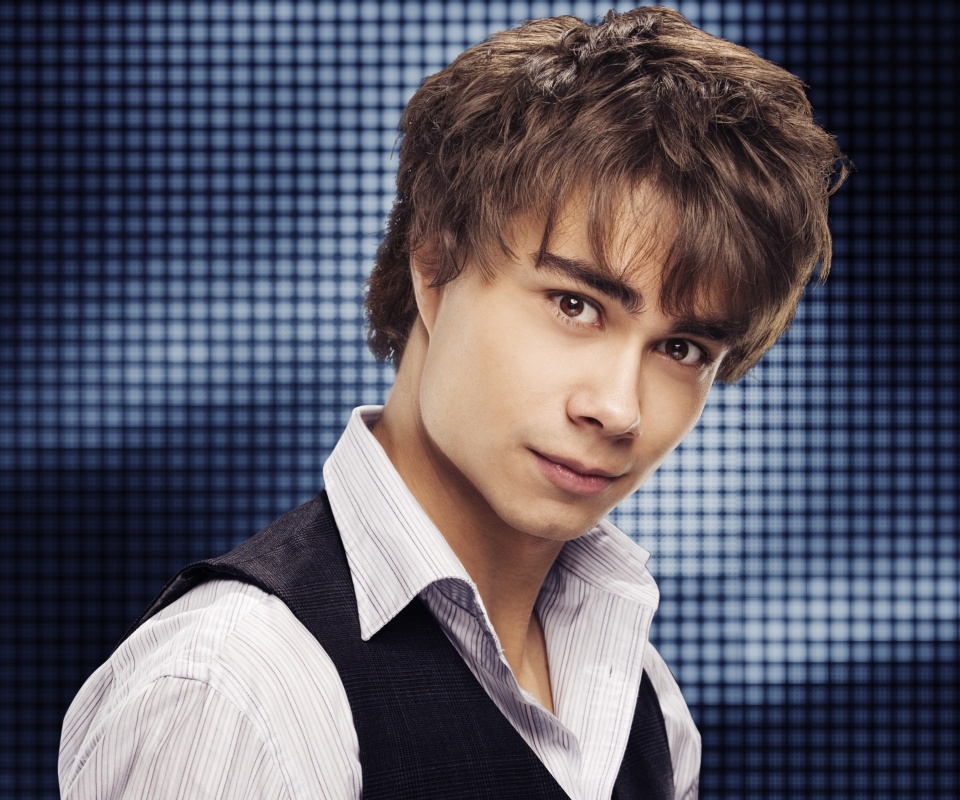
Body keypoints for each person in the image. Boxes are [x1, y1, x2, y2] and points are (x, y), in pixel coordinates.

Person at [58, 7, 847, 799]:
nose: (618, 408)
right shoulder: (237, 689)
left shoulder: (644, 702)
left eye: (683, 349)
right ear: (435, 265)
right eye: (575, 305)